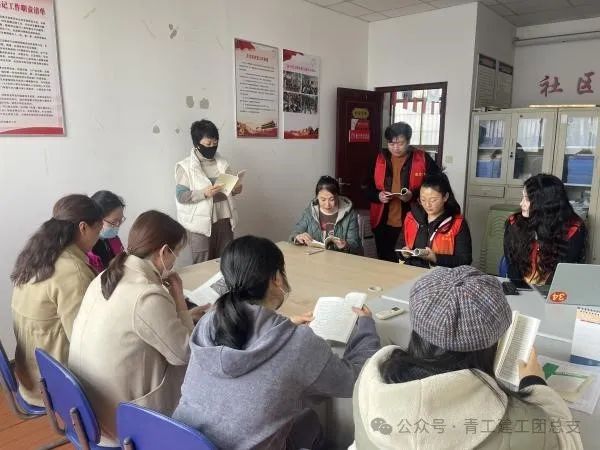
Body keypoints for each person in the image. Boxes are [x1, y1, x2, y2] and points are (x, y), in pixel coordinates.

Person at [173, 236, 380, 450]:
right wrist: (366, 327)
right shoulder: (299, 344)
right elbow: (354, 380)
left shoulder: (210, 320)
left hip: (180, 442)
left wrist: (284, 327)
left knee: (301, 419)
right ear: (277, 278)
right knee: (310, 423)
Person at [352, 266, 583, 449]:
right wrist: (536, 383)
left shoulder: (368, 382)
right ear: (494, 343)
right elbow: (567, 439)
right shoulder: (524, 426)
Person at [69, 211, 205, 445]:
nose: (175, 261)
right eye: (176, 253)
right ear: (164, 251)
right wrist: (179, 299)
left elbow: (139, 323)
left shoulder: (105, 276)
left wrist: (182, 315)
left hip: (88, 408)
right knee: (200, 369)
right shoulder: (146, 295)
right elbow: (185, 353)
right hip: (120, 422)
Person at [10, 194, 102, 406]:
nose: (98, 239)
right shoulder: (72, 271)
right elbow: (84, 341)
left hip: (29, 375)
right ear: (83, 228)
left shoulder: (35, 255)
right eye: (98, 232)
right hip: (52, 386)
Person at [365, 121, 441, 262]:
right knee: (383, 261)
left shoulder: (422, 158)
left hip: (415, 220)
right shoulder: (379, 158)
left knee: (410, 261)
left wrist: (413, 195)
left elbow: (437, 185)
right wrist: (377, 195)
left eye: (400, 143)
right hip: (383, 222)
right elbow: (366, 187)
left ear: (408, 141)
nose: (396, 147)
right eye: (391, 143)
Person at [175, 119, 242, 264]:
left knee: (226, 261)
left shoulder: (223, 163)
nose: (212, 147)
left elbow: (228, 189)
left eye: (215, 143)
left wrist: (236, 189)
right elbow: (181, 196)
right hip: (200, 224)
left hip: (224, 220)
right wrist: (204, 193)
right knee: (202, 264)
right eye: (208, 143)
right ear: (197, 144)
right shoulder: (185, 167)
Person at [504, 174, 586, 285]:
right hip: (519, 287)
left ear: (545, 204)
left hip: (552, 289)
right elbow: (512, 266)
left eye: (527, 199)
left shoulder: (573, 229)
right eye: (523, 197)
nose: (521, 203)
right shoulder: (514, 223)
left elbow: (563, 273)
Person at [399, 173, 472, 268]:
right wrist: (403, 252)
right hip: (410, 270)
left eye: (433, 200)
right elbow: (399, 246)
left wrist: (435, 258)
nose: (427, 205)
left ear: (445, 197)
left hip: (440, 274)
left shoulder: (458, 223)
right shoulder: (411, 218)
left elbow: (465, 260)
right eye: (423, 200)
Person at [290, 175, 362, 255]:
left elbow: (355, 245)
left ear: (338, 196)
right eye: (323, 199)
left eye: (331, 199)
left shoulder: (349, 214)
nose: (327, 205)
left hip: (340, 258)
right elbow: (295, 233)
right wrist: (298, 237)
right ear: (317, 197)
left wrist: (345, 245)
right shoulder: (310, 211)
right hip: (315, 257)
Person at [87, 190, 125, 273]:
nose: (118, 225)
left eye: (120, 220)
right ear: (97, 219)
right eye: (114, 221)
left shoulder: (114, 239)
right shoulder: (86, 250)